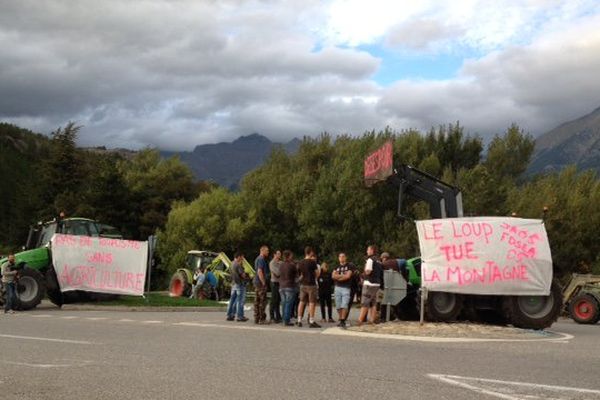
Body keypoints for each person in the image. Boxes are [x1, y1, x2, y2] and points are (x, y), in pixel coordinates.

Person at [358, 245, 383, 325]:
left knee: (365, 302)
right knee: (373, 302)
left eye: (368, 250)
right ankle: (372, 320)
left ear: (372, 250)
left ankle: (360, 321)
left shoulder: (370, 260)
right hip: (376, 283)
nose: (367, 251)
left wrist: (363, 275)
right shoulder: (378, 260)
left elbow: (368, 271)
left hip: (369, 283)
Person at [296, 246, 321, 328]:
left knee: (301, 302)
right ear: (310, 252)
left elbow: (300, 274)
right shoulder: (312, 262)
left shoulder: (300, 262)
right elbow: (317, 273)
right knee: (312, 303)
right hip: (311, 284)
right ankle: (311, 321)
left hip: (303, 285)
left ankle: (299, 320)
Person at [332, 253, 356, 328]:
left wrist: (338, 277)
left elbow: (348, 276)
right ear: (338, 258)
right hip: (337, 288)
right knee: (338, 305)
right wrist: (343, 276)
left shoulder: (350, 266)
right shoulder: (336, 266)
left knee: (344, 304)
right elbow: (333, 276)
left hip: (346, 287)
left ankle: (343, 320)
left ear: (345, 257)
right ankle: (341, 319)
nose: (341, 258)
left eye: (343, 256)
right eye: (340, 256)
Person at [226, 251, 249, 322]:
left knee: (232, 300)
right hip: (240, 284)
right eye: (242, 257)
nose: (243, 259)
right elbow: (243, 275)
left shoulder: (231, 264)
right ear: (239, 257)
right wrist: (247, 275)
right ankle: (240, 316)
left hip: (233, 284)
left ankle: (230, 315)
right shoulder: (238, 265)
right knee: (240, 301)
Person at [278, 250, 298, 326]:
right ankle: (287, 320)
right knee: (288, 304)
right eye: (291, 255)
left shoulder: (281, 265)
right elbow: (296, 276)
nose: (292, 257)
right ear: (289, 256)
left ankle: (284, 319)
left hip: (281, 286)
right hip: (289, 286)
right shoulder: (292, 265)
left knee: (283, 303)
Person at [253, 245, 270, 324]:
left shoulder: (257, 259)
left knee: (257, 301)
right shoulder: (261, 259)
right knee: (262, 301)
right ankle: (261, 319)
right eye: (267, 251)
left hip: (256, 282)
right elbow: (260, 271)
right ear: (262, 251)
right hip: (260, 283)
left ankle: (256, 318)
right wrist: (263, 282)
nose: (268, 252)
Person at [269, 250, 283, 323]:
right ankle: (272, 316)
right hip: (274, 283)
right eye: (278, 253)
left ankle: (278, 316)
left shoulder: (281, 263)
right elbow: (277, 273)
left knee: (278, 300)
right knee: (273, 300)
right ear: (274, 254)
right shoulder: (272, 263)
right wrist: (281, 270)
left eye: (280, 253)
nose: (280, 255)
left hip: (279, 283)